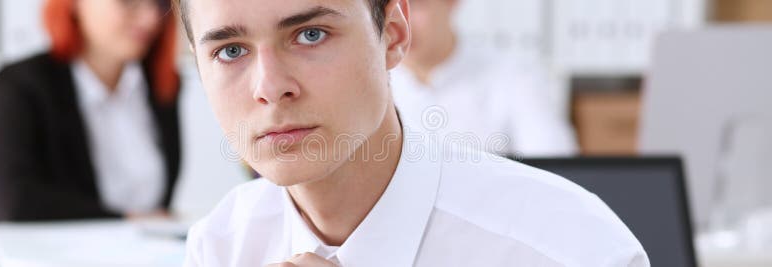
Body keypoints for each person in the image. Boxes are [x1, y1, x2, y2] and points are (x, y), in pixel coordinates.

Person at [173, 0, 648, 266]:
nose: (270, 88)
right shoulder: (220, 247)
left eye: (310, 34)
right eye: (231, 51)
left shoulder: (567, 248)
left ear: (394, 35)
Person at [0, 0, 181, 265]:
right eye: (128, 2)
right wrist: (128, 219)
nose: (150, 18)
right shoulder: (20, 85)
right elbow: (16, 202)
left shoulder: (160, 85)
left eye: (159, 4)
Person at [392, 0, 578, 157]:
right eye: (391, 7)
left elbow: (557, 166)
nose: (402, 22)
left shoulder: (513, 76)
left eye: (415, 4)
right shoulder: (375, 84)